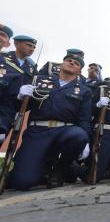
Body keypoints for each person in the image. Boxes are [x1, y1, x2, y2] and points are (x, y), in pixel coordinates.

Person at [8, 49, 93, 190]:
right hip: (38, 131)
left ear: (79, 71)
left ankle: (60, 169)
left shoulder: (84, 90)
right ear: (61, 65)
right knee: (22, 182)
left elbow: (84, 118)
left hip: (65, 130)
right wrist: (20, 96)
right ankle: (48, 169)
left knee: (78, 135)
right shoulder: (39, 81)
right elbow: (20, 108)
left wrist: (86, 142)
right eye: (68, 60)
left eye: (76, 63)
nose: (71, 62)